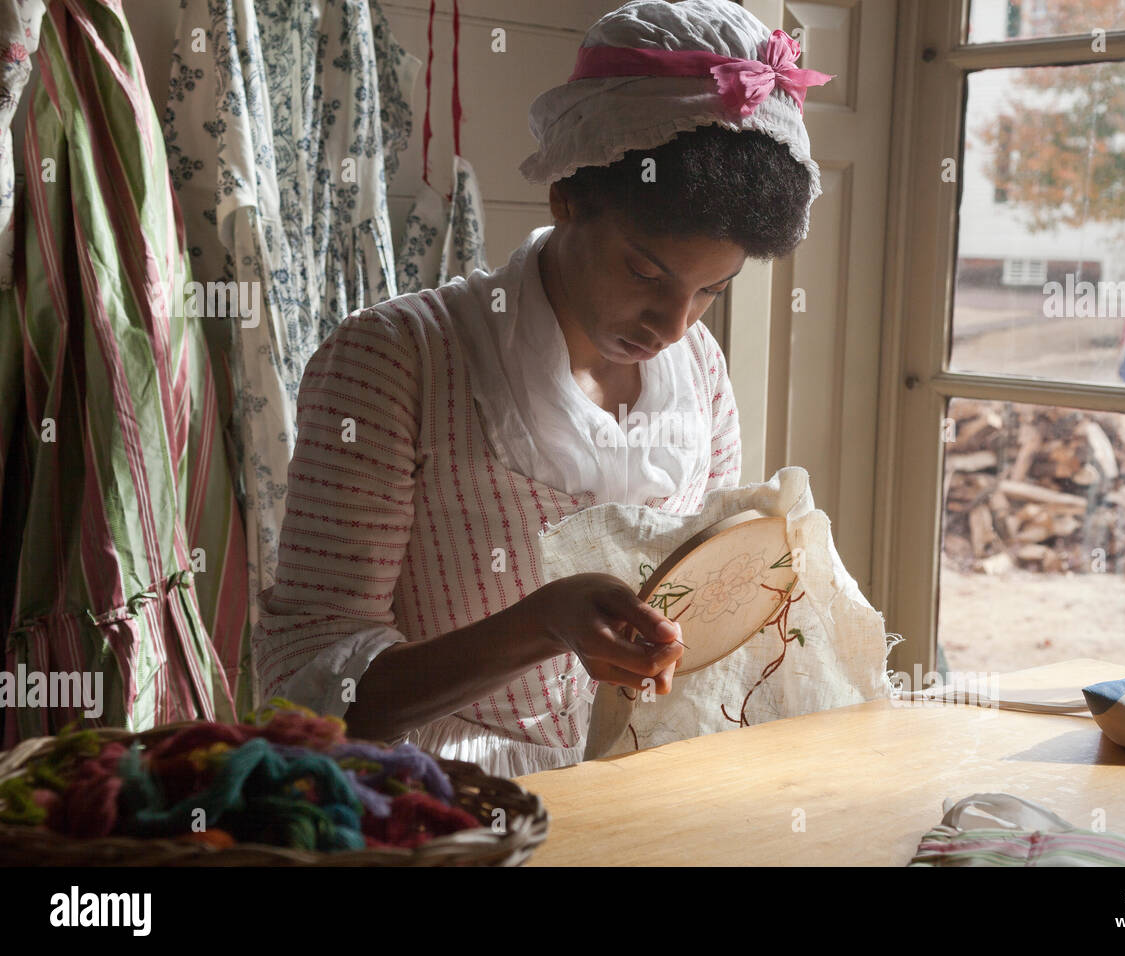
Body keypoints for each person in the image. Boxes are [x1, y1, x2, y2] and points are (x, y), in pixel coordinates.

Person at [250, 0, 832, 777]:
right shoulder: (396, 361)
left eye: (710, 292)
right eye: (645, 273)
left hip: (635, 796)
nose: (671, 323)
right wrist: (539, 625)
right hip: (436, 807)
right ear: (566, 195)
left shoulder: (699, 375)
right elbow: (309, 695)